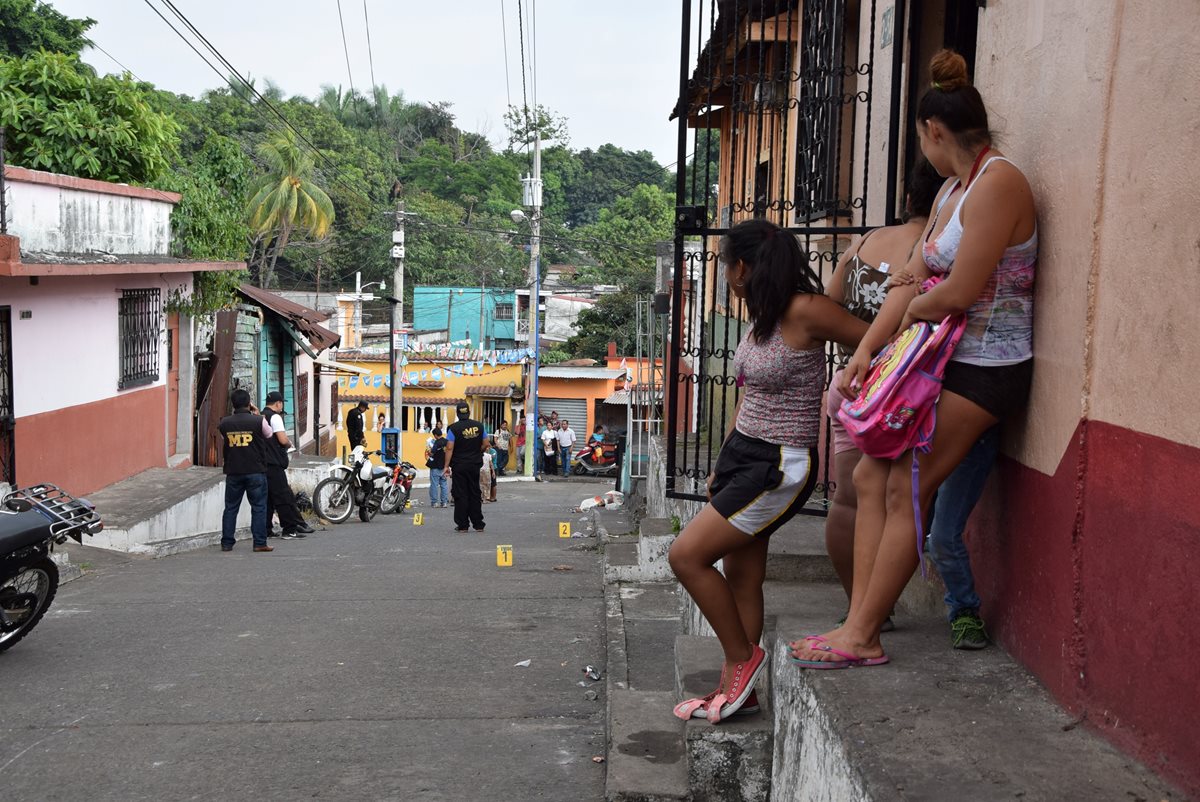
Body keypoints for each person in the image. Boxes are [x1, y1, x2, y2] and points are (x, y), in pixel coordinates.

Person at [790, 50, 1037, 668]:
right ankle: (857, 622)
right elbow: (910, 279)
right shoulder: (956, 190)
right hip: (942, 361)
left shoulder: (999, 182)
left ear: (933, 131)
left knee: (904, 484)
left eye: (920, 139)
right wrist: (865, 354)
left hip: (985, 368)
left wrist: (911, 314)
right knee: (872, 475)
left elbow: (953, 292)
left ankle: (864, 635)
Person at [668, 219, 868, 723]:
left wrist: (860, 389)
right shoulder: (764, 317)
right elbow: (750, 395)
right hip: (744, 455)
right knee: (740, 571)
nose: (726, 277)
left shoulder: (806, 310)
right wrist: (723, 461)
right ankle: (740, 691)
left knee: (686, 556)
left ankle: (742, 656)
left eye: (726, 265)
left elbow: (875, 340)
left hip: (779, 464)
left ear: (744, 266)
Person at [218, 388, 275, 553]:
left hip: (233, 471)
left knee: (230, 508)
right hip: (255, 470)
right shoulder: (258, 421)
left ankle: (227, 543)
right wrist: (257, 415)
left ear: (233, 404)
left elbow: (225, 438)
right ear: (249, 403)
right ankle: (259, 542)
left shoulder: (224, 423)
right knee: (258, 507)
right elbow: (269, 434)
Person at [262, 391, 313, 540]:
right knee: (282, 496)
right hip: (275, 462)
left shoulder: (260, 416)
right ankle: (289, 529)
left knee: (268, 499)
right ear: (278, 403)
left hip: (263, 462)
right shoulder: (275, 417)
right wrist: (289, 443)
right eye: (281, 403)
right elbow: (283, 440)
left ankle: (266, 530)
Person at [444, 402, 488, 532]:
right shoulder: (479, 426)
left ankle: (463, 525)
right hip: (474, 465)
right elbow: (486, 444)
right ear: (469, 412)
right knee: (474, 493)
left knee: (460, 494)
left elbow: (449, 448)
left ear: (457, 413)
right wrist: (477, 452)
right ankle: (478, 524)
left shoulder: (453, 428)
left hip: (459, 466)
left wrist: (446, 466)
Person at [425, 426, 449, 508]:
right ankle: (444, 502)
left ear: (435, 435)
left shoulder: (437, 443)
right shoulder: (447, 442)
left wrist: (428, 451)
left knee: (434, 485)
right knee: (444, 485)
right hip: (444, 466)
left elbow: (432, 453)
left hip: (435, 466)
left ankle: (434, 502)